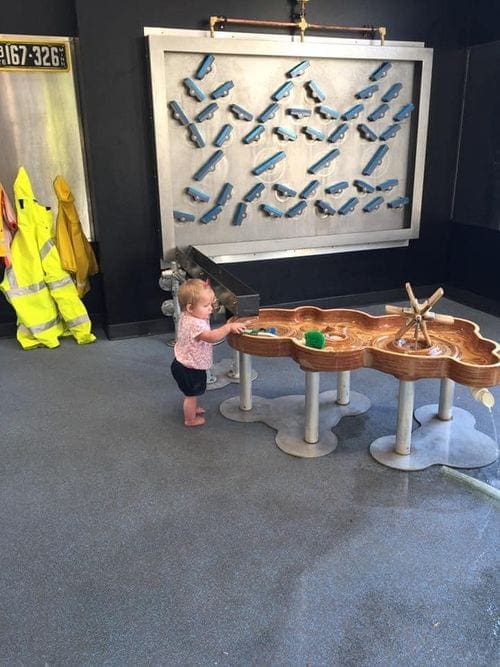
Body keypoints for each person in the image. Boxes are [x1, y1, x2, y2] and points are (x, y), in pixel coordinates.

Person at [170, 278, 246, 426]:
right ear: (190, 308)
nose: (211, 308)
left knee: (193, 392)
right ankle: (190, 419)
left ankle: (192, 408)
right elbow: (211, 337)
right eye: (206, 305)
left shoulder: (187, 315)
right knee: (191, 395)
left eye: (212, 303)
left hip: (184, 362)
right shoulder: (195, 324)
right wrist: (228, 328)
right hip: (188, 368)